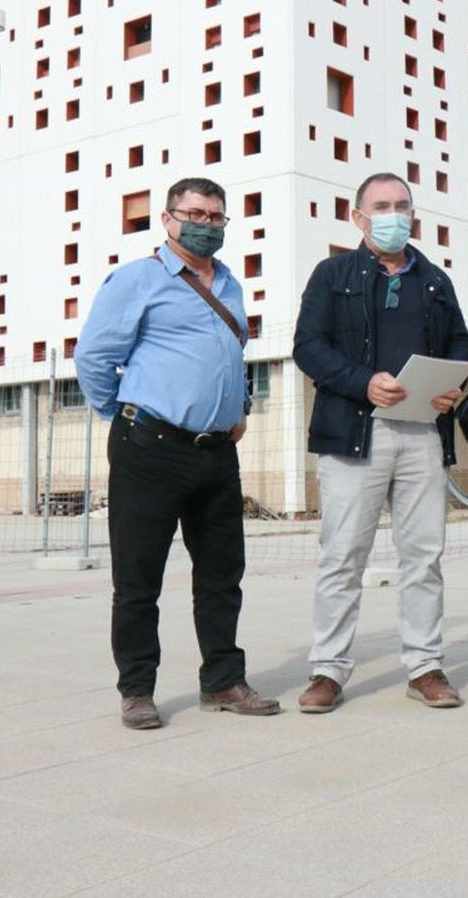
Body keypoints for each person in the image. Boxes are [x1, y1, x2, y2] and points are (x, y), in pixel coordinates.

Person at [75, 177, 280, 730]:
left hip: (216, 454)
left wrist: (238, 407)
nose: (206, 224)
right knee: (138, 578)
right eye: (195, 213)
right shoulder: (136, 279)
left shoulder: (230, 283)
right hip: (150, 447)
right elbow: (94, 357)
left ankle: (223, 681)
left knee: (221, 575)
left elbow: (231, 353)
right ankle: (137, 688)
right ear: (167, 219)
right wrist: (120, 415)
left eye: (216, 216)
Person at [292, 172, 468, 713]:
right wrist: (361, 381)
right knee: (342, 555)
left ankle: (424, 665)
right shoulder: (332, 275)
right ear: (358, 217)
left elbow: (461, 343)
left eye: (402, 205)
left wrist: (453, 384)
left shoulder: (436, 281)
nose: (394, 214)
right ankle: (327, 669)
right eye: (382, 206)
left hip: (421, 432)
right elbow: (308, 346)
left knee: (423, 555)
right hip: (355, 430)